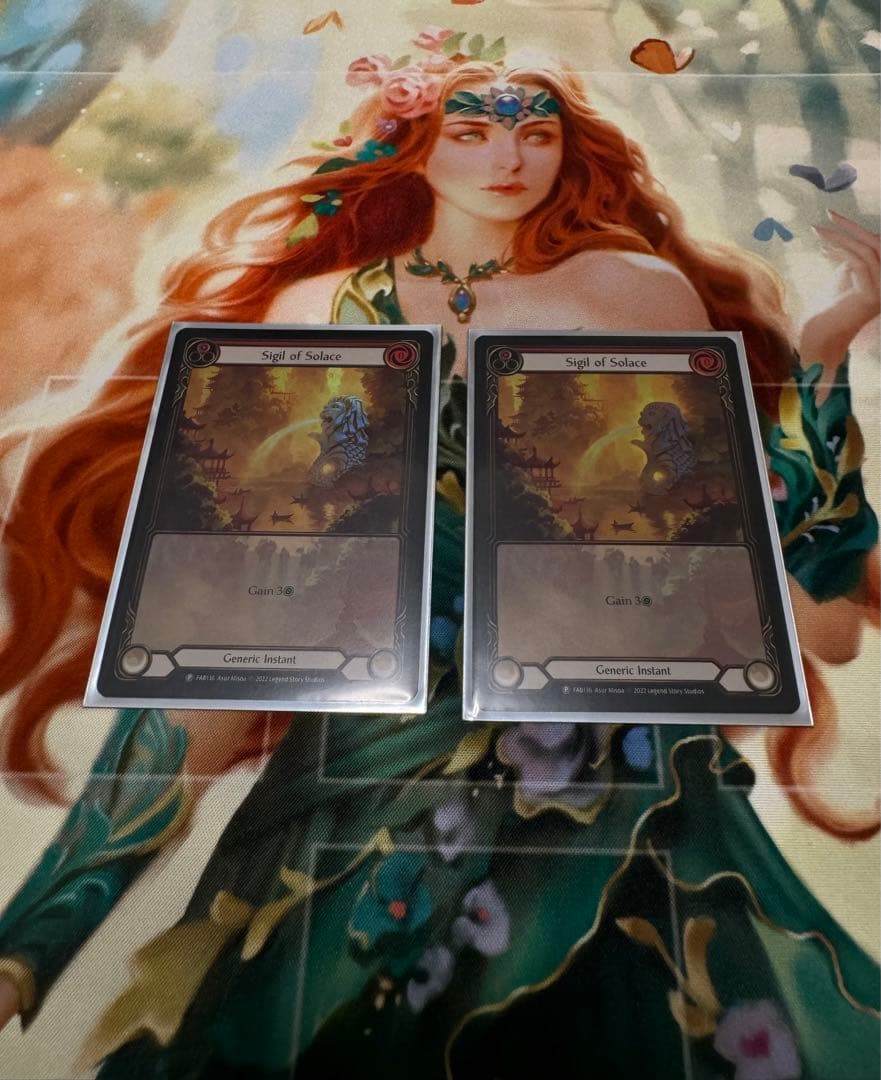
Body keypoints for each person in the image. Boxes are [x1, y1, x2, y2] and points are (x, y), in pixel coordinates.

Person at [0, 42, 879, 1079]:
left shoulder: (632, 295)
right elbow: (230, 636)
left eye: (536, 133)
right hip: (360, 784)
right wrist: (35, 936)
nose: (508, 158)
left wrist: (821, 360)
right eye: (470, 131)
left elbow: (767, 600)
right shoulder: (318, 312)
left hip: (613, 789)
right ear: (409, 145)